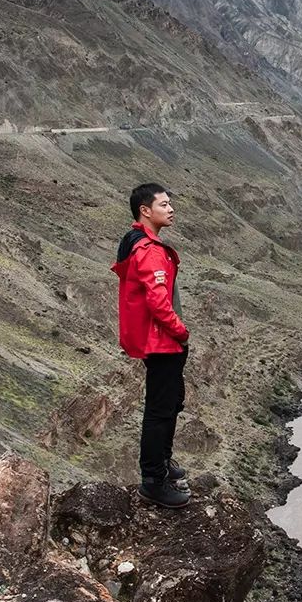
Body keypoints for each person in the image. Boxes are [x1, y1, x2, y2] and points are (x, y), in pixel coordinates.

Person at [112, 182, 192, 508]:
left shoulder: (138, 243)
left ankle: (163, 463)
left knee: (170, 402)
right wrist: (182, 332)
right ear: (145, 211)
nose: (171, 209)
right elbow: (159, 304)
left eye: (170, 203)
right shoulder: (149, 250)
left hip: (158, 341)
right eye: (163, 204)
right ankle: (153, 481)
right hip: (162, 342)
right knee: (161, 411)